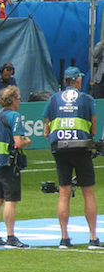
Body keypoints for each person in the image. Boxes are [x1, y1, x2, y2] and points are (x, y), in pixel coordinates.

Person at [43, 66, 103, 249]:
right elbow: (93, 130)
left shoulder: (53, 99)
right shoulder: (87, 99)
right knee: (88, 192)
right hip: (82, 148)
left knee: (64, 192)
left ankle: (64, 238)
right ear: (77, 81)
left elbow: (46, 131)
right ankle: (93, 238)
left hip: (60, 148)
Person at [0, 86, 31, 249]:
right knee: (11, 199)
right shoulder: (14, 116)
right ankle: (10, 236)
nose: (19, 102)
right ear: (13, 100)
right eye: (18, 99)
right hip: (9, 162)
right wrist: (27, 141)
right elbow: (18, 142)